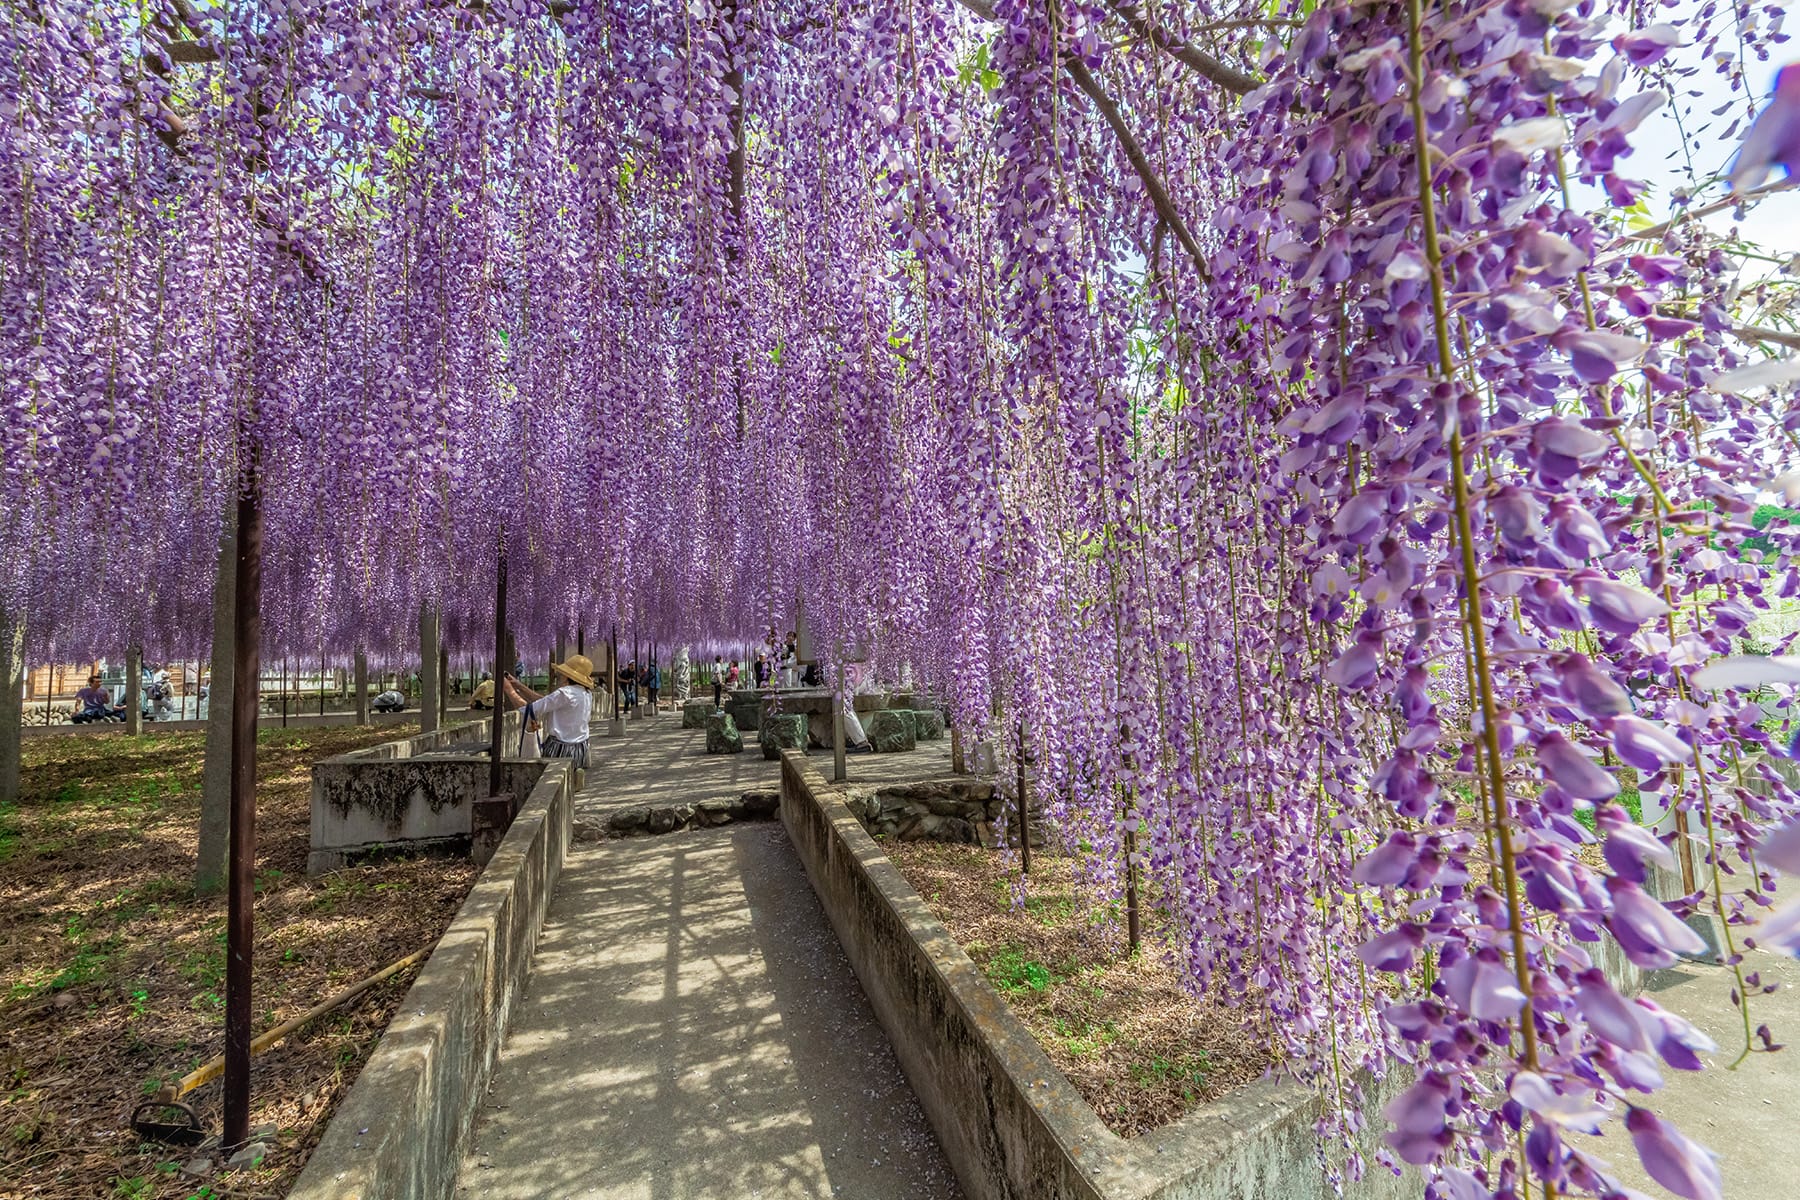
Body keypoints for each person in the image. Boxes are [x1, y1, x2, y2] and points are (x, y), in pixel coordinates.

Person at [503, 653, 595, 770]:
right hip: (580, 748)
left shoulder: (564, 693)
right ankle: (576, 776)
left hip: (560, 750)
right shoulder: (586, 693)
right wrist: (519, 685)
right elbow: (546, 702)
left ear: (568, 676)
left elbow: (529, 710)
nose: (560, 675)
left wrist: (508, 689)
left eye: (563, 672)